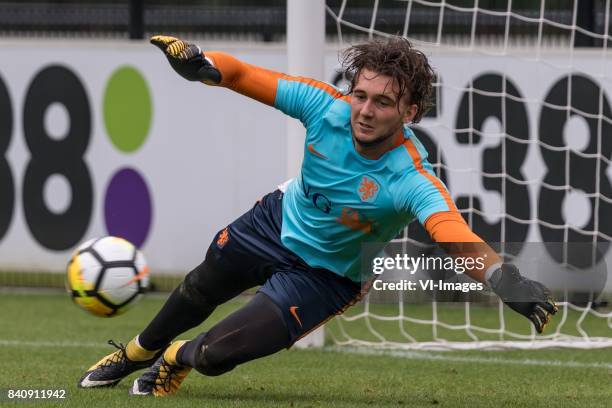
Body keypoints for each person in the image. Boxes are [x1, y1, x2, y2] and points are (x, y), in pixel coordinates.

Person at [78, 35, 557, 396]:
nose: (364, 111)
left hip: (327, 277)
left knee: (216, 355)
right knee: (199, 287)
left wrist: (500, 277)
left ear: (410, 111)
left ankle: (176, 357)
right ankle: (135, 351)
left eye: (383, 102)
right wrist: (203, 64)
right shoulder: (323, 106)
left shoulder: (411, 178)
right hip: (275, 222)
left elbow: (453, 233)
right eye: (360, 95)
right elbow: (242, 75)